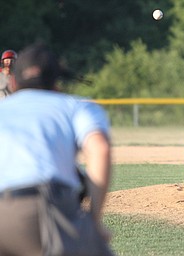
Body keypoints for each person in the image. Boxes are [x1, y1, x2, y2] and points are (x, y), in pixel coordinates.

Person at [0, 43, 114, 255]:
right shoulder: (76, 106)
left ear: (13, 82)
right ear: (56, 82)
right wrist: (95, 221)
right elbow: (100, 148)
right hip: (46, 207)